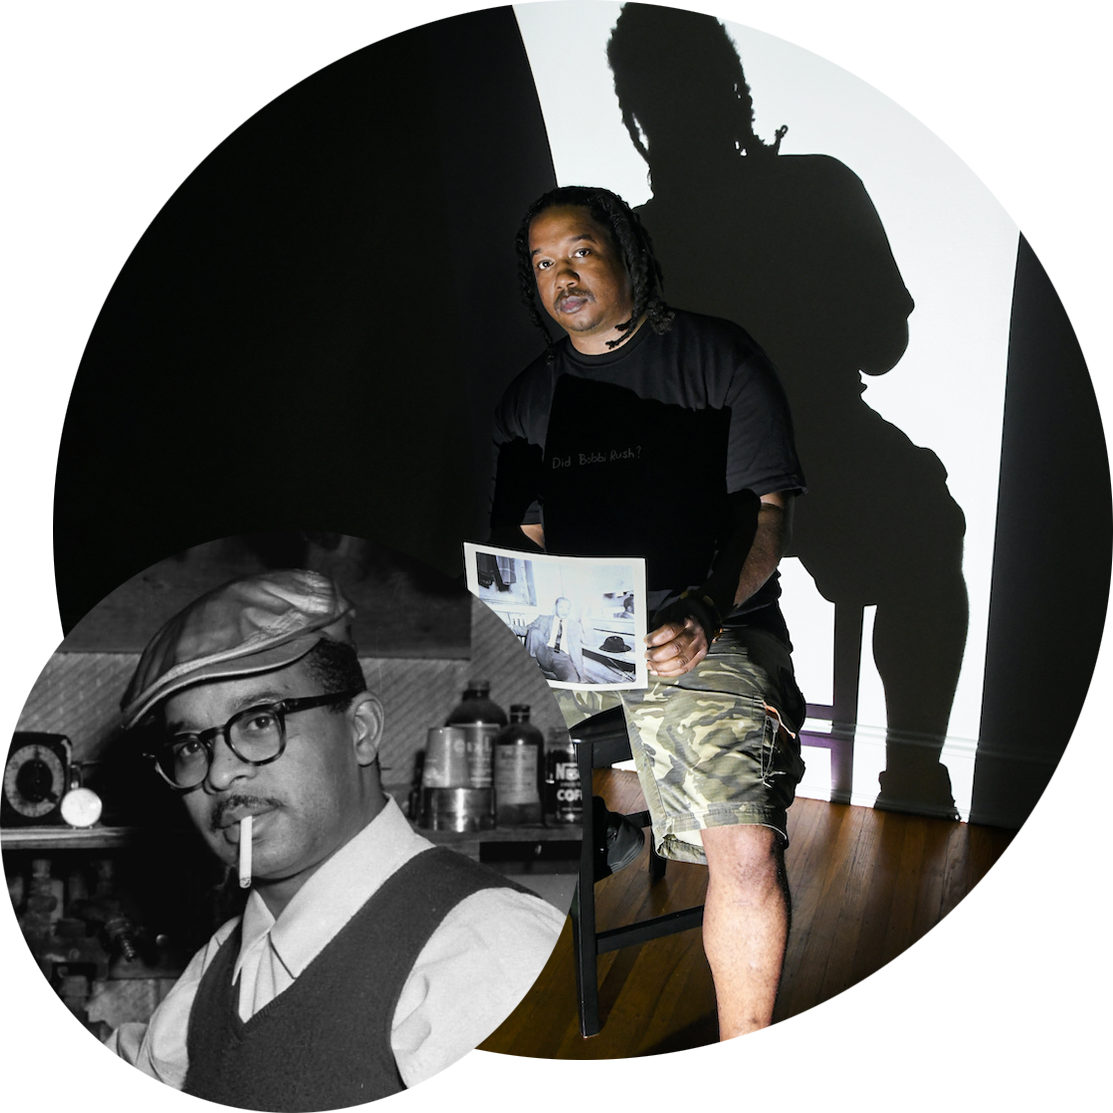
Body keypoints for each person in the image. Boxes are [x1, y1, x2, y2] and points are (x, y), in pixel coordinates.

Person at [490, 185, 807, 1059]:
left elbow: (766, 514)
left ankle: (746, 1071)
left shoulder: (716, 357)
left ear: (627, 254)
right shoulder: (530, 398)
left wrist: (707, 605)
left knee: (739, 842)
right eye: (544, 263)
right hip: (579, 639)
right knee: (441, 744)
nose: (563, 276)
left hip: (706, 622)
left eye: (580, 252)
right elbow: (523, 534)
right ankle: (601, 834)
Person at [108, 568, 564, 1108]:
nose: (220, 775)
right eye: (189, 746)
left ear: (361, 730)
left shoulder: (487, 951)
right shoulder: (219, 962)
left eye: (258, 721)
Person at [524, 596, 584, 682]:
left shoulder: (574, 626)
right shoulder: (543, 619)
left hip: (562, 658)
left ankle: (549, 676)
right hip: (544, 652)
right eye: (561, 607)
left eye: (567, 608)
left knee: (573, 680)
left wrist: (581, 675)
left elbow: (580, 648)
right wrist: (511, 627)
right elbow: (526, 630)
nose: (564, 611)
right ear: (555, 607)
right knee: (534, 631)